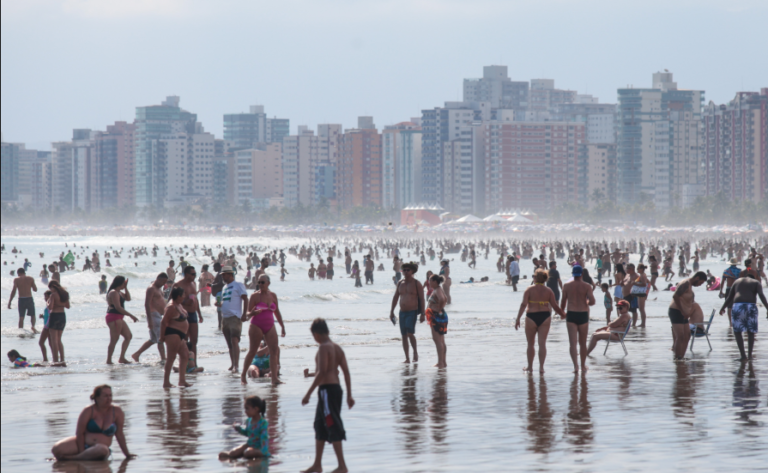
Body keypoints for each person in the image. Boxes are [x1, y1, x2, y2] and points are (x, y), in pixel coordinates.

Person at [301, 318, 354, 473]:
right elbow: (346, 373)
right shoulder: (337, 348)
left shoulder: (324, 348)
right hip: (336, 390)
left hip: (327, 392)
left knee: (332, 424)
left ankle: (342, 466)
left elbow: (322, 372)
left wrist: (308, 394)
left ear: (316, 334)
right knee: (320, 425)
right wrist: (349, 395)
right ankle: (317, 464)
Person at [51, 385, 136, 461]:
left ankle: (74, 458)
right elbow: (80, 433)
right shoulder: (88, 410)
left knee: (102, 450)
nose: (109, 398)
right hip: (84, 444)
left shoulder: (117, 411)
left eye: (110, 395)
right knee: (56, 449)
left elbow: (120, 434)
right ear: (97, 398)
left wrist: (127, 454)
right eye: (105, 396)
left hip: (101, 449)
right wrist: (83, 451)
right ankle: (83, 456)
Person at [515, 269, 566, 373]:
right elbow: (555, 306)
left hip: (531, 317)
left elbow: (523, 305)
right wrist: (563, 314)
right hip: (545, 317)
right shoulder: (549, 290)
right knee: (542, 344)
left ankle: (530, 367)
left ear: (536, 278)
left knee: (530, 344)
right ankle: (541, 368)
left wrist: (518, 319)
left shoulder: (529, 289)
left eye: (533, 276)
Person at [242, 274, 286, 386]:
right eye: (259, 282)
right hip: (256, 325)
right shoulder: (254, 296)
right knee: (252, 351)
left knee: (274, 350)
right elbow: (247, 314)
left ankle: (274, 378)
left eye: (262, 282)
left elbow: (277, 312)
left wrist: (282, 326)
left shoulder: (273, 296)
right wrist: (252, 313)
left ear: (268, 283)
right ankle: (243, 376)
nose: (260, 285)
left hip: (270, 325)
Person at [720, 274, 768, 361]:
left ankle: (743, 356)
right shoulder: (756, 282)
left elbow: (729, 297)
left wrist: (722, 308)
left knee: (738, 332)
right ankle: (749, 356)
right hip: (751, 306)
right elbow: (761, 295)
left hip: (738, 306)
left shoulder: (737, 281)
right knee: (751, 332)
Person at [560, 265, 596, 372]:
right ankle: (583, 366)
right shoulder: (587, 286)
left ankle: (575, 367)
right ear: (582, 274)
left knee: (573, 343)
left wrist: (562, 313)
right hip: (583, 314)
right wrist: (586, 302)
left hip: (571, 314)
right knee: (583, 343)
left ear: (572, 274)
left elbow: (563, 302)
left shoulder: (566, 286)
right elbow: (593, 302)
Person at [389, 262, 426, 364]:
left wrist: (423, 313)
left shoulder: (416, 283)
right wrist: (391, 311)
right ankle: (407, 358)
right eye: (404, 270)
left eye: (408, 270)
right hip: (402, 312)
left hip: (412, 311)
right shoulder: (400, 283)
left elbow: (422, 299)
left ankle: (415, 352)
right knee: (404, 335)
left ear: (412, 271)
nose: (405, 272)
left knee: (410, 333)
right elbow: (396, 297)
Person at [668, 272, 707, 360]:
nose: (700, 285)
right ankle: (677, 358)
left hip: (683, 314)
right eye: (700, 283)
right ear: (697, 278)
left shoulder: (690, 286)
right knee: (680, 336)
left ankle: (681, 357)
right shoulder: (685, 283)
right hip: (676, 311)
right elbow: (675, 296)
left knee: (687, 335)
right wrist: (682, 311)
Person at [131, 273, 169, 362]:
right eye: (163, 282)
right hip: (153, 315)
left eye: (165, 282)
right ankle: (163, 358)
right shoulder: (151, 288)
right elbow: (147, 304)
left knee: (153, 339)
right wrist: (150, 321)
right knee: (160, 338)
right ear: (158, 279)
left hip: (159, 315)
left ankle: (136, 354)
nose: (164, 284)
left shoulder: (159, 289)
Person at [219, 396, 270, 460]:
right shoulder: (248, 421)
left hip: (259, 447)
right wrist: (239, 429)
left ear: (256, 409)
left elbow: (264, 439)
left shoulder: (263, 423)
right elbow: (248, 433)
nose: (245, 411)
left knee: (248, 452)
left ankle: (258, 454)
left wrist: (264, 451)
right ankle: (232, 454)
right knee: (233, 453)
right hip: (250, 444)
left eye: (247, 409)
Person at [159, 287, 192, 388]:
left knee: (185, 355)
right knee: (171, 358)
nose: (184, 296)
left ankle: (182, 381)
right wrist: (161, 337)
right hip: (172, 334)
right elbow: (164, 322)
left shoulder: (179, 305)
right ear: (178, 296)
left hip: (180, 335)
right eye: (183, 294)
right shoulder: (171, 307)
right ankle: (166, 382)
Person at [220, 266, 248, 372]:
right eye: (222, 275)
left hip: (235, 317)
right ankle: (232, 364)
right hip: (225, 318)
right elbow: (226, 301)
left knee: (234, 340)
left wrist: (244, 314)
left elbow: (245, 298)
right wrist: (219, 304)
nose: (223, 277)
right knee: (229, 344)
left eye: (224, 275)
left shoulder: (238, 285)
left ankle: (236, 365)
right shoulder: (224, 287)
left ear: (230, 274)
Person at [105, 276, 139, 365]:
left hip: (119, 317)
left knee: (128, 336)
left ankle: (122, 358)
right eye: (124, 283)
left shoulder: (119, 292)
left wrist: (126, 287)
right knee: (114, 339)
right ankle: (108, 360)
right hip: (114, 316)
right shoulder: (113, 292)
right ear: (120, 283)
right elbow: (118, 307)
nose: (125, 284)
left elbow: (128, 298)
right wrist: (131, 316)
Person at [173, 266, 203, 357]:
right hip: (183, 314)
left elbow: (196, 300)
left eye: (195, 274)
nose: (195, 276)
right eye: (193, 274)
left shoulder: (193, 284)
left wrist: (199, 314)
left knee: (194, 340)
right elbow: (172, 301)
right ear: (186, 274)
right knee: (184, 339)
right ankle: (184, 361)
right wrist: (185, 301)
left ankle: (193, 362)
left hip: (193, 314)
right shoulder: (178, 285)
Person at [426, 274, 448, 368]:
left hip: (436, 316)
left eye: (430, 280)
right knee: (441, 340)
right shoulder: (439, 289)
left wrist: (439, 308)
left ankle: (440, 363)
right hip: (439, 315)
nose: (429, 282)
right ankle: (443, 362)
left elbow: (443, 299)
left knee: (437, 340)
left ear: (435, 281)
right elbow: (445, 298)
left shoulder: (437, 290)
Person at [7, 267, 38, 332]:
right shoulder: (30, 278)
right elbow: (35, 289)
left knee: (21, 317)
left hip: (21, 299)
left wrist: (10, 302)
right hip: (29, 298)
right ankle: (33, 327)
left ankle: (20, 331)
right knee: (32, 315)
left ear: (19, 273)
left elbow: (14, 291)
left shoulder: (16, 280)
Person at [47, 280, 70, 363]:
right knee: (59, 339)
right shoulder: (65, 294)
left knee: (54, 340)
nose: (50, 291)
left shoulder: (53, 295)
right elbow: (68, 306)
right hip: (62, 316)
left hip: (55, 316)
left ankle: (55, 360)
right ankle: (62, 359)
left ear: (53, 287)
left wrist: (48, 302)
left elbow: (50, 307)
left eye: (50, 289)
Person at [719, 257, 741, 328]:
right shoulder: (739, 271)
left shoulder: (726, 271)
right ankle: (736, 321)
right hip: (737, 289)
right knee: (737, 305)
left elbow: (722, 282)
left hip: (728, 289)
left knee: (729, 306)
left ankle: (730, 323)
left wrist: (721, 291)